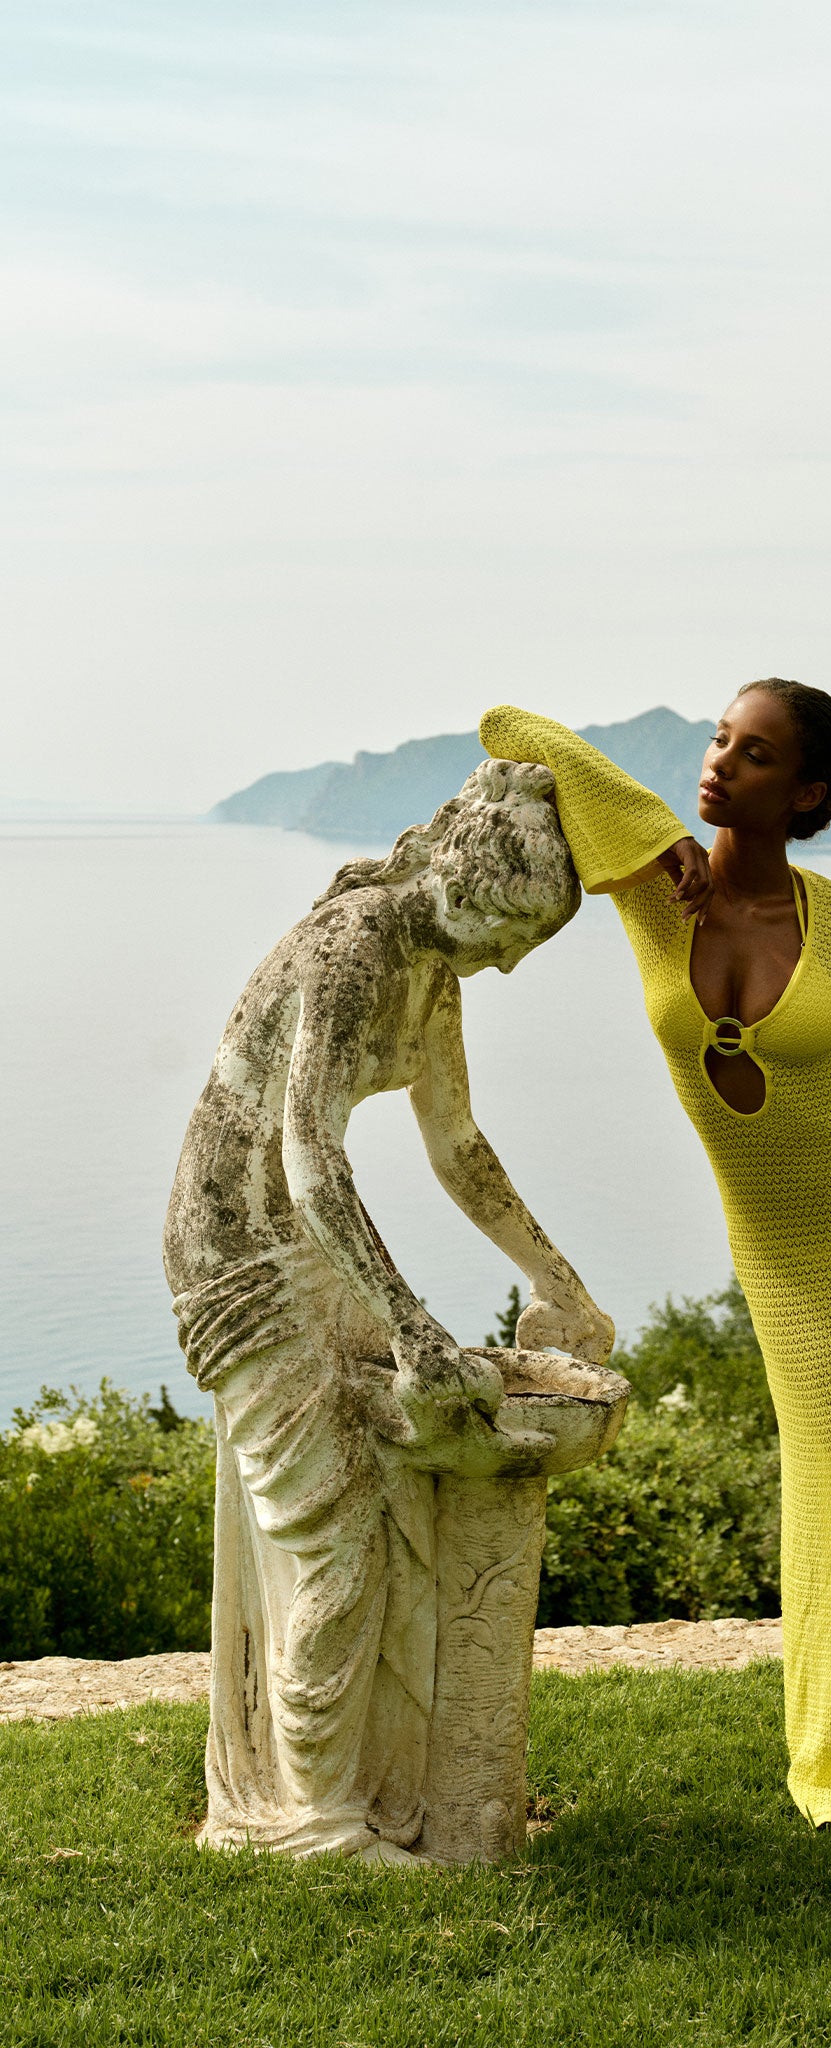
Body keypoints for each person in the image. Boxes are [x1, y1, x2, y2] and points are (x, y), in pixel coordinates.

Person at [480, 684, 831, 1838]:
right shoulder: (651, 893)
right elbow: (511, 726)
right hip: (786, 1259)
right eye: (719, 740)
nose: (720, 764)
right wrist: (655, 832)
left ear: (810, 791)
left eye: (756, 752)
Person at [164, 759, 613, 1859]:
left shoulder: (431, 970)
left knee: (395, 1508)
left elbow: (457, 1147)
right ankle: (308, 1821)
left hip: (309, 1246)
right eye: (513, 930)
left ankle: (368, 1783)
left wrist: (561, 1281)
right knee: (336, 1533)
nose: (510, 957)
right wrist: (410, 1321)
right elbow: (308, 1153)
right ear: (468, 886)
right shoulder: (355, 943)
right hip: (242, 1252)